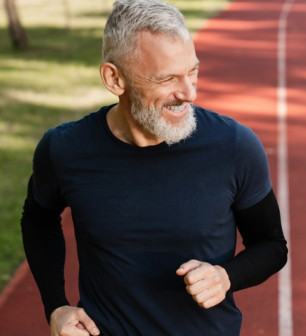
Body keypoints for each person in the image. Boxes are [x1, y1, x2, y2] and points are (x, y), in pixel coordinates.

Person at [19, 0, 288, 335]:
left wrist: (226, 276)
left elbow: (272, 246)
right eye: (167, 78)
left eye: (193, 71)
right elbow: (38, 220)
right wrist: (56, 306)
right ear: (115, 79)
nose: (189, 92)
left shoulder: (235, 146)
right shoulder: (64, 150)